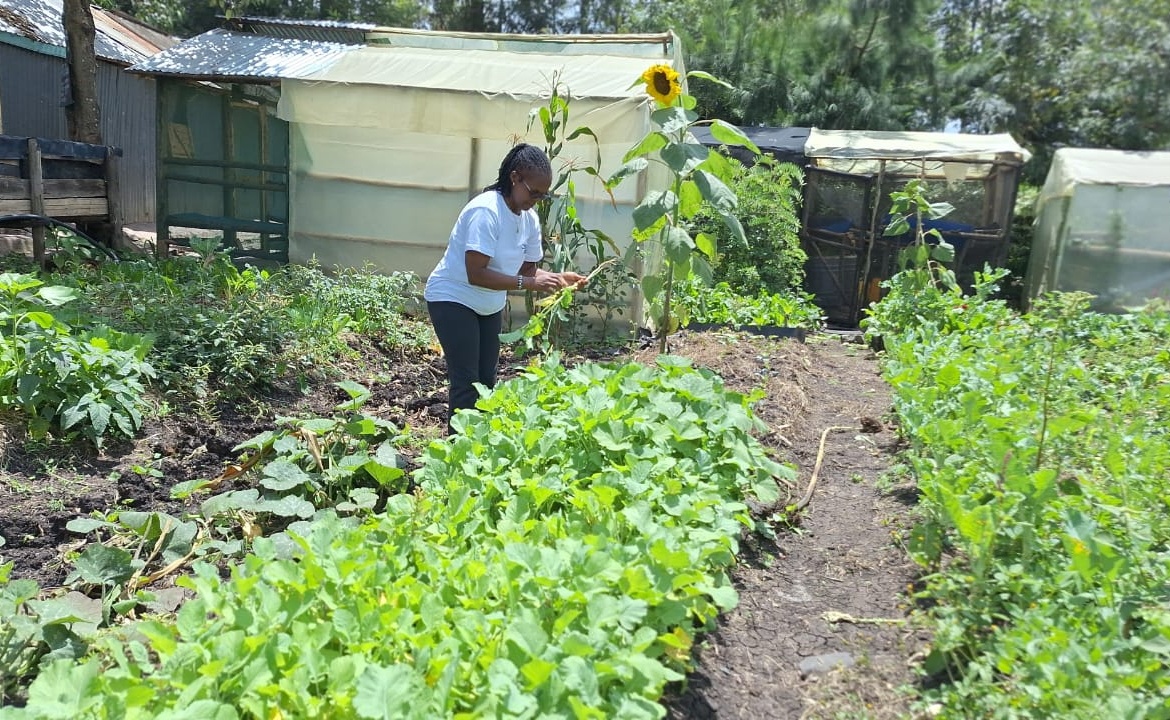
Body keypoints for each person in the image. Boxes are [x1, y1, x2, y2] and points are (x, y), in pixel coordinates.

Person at [424, 143, 586, 433]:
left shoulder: (529, 219)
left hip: (488, 304)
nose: (536, 200)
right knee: (466, 382)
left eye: (542, 195)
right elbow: (476, 273)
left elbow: (527, 270)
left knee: (486, 383)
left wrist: (558, 277)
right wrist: (530, 283)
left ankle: (477, 448)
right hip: (453, 297)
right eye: (533, 192)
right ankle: (455, 455)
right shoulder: (486, 211)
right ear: (515, 178)